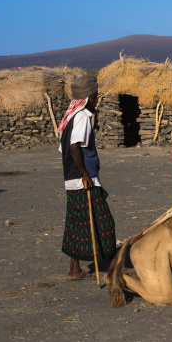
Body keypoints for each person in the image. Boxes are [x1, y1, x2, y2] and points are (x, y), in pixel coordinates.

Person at [58, 75, 117, 280]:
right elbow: (74, 146)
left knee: (77, 222)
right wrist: (85, 174)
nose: (96, 101)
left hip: (71, 179)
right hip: (84, 179)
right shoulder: (82, 116)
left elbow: (62, 149)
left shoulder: (69, 117)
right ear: (85, 98)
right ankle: (113, 269)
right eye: (94, 97)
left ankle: (74, 270)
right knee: (104, 221)